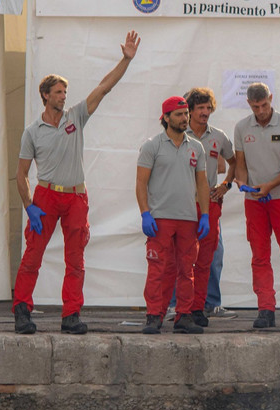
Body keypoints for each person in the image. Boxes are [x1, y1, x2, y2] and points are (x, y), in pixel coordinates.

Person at [12, 31, 141, 335]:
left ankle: (71, 315)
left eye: (64, 92)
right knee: (32, 256)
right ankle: (21, 310)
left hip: (75, 197)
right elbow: (21, 174)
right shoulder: (33, 131)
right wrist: (29, 206)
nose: (63, 96)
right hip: (45, 195)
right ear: (45, 95)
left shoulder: (76, 117)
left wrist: (126, 59)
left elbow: (104, 88)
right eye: (58, 92)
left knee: (76, 260)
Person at [234, 83, 280, 329]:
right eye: (256, 106)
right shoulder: (242, 127)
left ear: (271, 98)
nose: (261, 110)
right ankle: (265, 308)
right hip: (255, 201)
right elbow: (241, 164)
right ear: (249, 104)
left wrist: (269, 185)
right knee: (259, 256)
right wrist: (244, 183)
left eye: (264, 104)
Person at [136, 96, 210, 334]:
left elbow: (202, 184)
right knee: (157, 268)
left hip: (188, 218)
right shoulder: (152, 146)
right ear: (166, 117)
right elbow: (141, 183)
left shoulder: (196, 147)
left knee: (187, 269)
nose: (184, 118)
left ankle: (184, 315)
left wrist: (205, 215)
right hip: (160, 218)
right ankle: (153, 315)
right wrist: (145, 213)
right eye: (179, 114)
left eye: (186, 114)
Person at [181, 87, 236, 327]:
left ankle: (200, 307)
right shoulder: (178, 134)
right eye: (200, 108)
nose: (205, 112)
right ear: (189, 110)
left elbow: (235, 162)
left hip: (210, 205)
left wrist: (227, 184)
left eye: (208, 108)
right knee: (182, 258)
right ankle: (179, 305)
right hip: (182, 203)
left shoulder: (219, 136)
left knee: (207, 258)